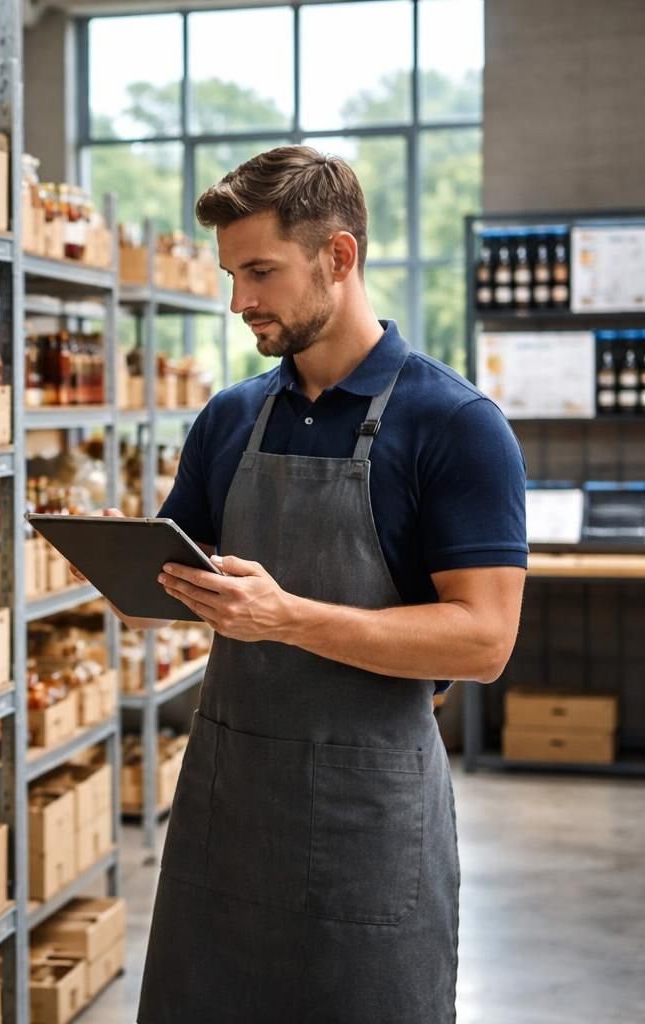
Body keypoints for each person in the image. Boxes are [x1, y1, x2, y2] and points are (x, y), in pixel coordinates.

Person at [119, 146, 528, 1023]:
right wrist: (132, 573)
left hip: (365, 826)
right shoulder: (230, 417)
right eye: (232, 275)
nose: (239, 301)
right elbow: (175, 572)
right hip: (227, 812)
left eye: (260, 272)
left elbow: (484, 640)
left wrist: (285, 617)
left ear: (338, 257)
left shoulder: (456, 425)